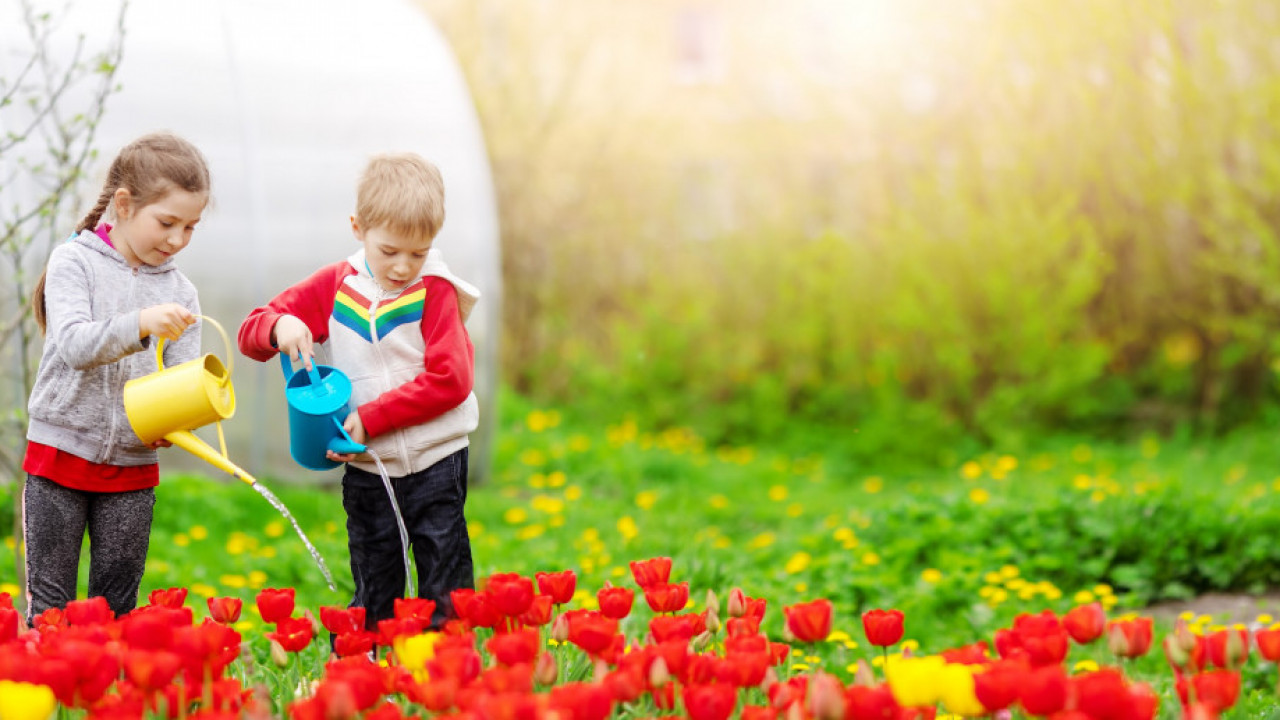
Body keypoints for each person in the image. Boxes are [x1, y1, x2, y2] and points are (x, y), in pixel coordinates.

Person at [237, 152, 479, 630]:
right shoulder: (336, 286)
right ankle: (364, 680)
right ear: (358, 227)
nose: (403, 267)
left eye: (418, 252)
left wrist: (373, 417)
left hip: (437, 459)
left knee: (445, 580)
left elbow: (451, 381)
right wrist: (281, 324)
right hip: (368, 468)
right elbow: (251, 332)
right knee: (375, 580)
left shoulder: (435, 290)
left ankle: (446, 684)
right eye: (389, 251)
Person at [23, 132, 210, 624]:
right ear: (124, 205)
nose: (177, 240)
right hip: (59, 456)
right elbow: (74, 345)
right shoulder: (74, 262)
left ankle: (110, 700)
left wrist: (178, 420)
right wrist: (141, 325)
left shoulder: (182, 291)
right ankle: (45, 698)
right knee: (50, 607)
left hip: (132, 466)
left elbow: (182, 377)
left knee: (116, 608)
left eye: (191, 227)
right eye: (167, 222)